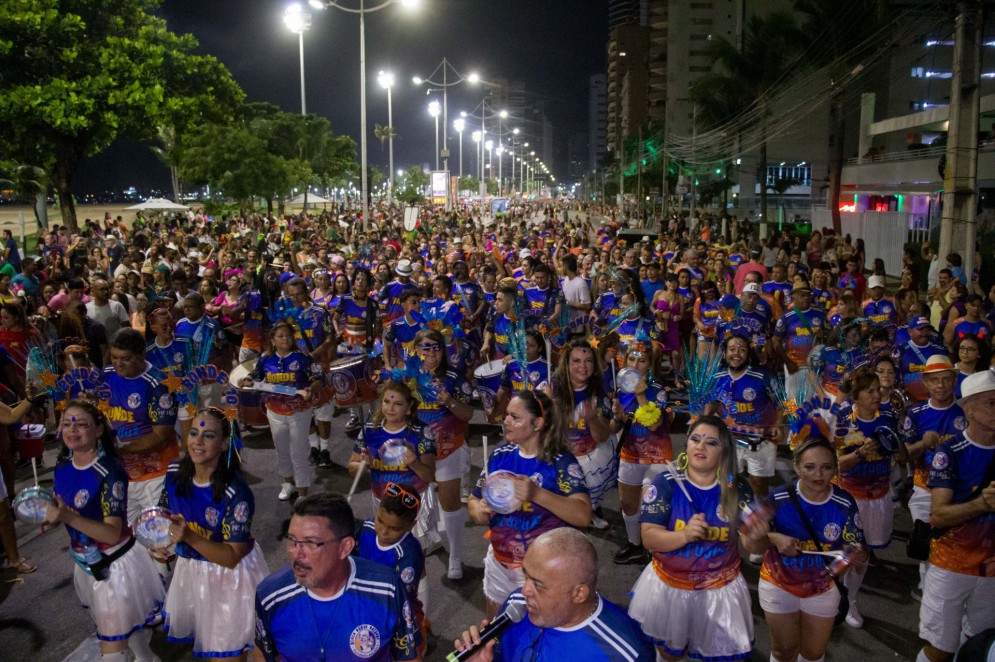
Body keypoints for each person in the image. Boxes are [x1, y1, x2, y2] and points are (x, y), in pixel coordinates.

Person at [44, 400, 165, 662]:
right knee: (123, 629)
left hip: (114, 567)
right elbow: (63, 506)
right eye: (66, 423)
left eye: (82, 424)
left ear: (99, 430)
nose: (72, 430)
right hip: (84, 563)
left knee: (113, 647)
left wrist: (67, 516)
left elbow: (111, 533)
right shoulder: (63, 465)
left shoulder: (110, 471)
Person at [627, 415, 756, 662]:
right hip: (671, 587)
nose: (701, 446)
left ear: (724, 451)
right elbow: (649, 538)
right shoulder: (665, 481)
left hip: (720, 590)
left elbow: (752, 545)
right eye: (695, 439)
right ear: (686, 445)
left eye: (711, 443)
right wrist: (684, 535)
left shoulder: (737, 488)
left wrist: (759, 535)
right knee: (669, 655)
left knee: (713, 653)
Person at [253, 492, 423, 661]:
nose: (297, 554)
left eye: (311, 543)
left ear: (345, 547)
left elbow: (409, 656)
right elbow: (263, 652)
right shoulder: (269, 595)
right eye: (292, 540)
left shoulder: (388, 590)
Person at [155, 408, 269, 658]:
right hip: (191, 571)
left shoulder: (236, 493)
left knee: (227, 651)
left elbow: (231, 557)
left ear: (224, 443)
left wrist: (188, 537)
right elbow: (164, 513)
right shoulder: (174, 473)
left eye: (208, 436)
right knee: (209, 645)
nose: (197, 440)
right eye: (194, 432)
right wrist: (160, 541)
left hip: (228, 579)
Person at [468, 390, 592, 619]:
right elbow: (474, 499)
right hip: (500, 562)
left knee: (538, 633)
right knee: (497, 631)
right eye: (506, 415)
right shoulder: (499, 456)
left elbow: (583, 514)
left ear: (538, 423)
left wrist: (536, 494)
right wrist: (479, 511)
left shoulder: (560, 462)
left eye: (515, 417)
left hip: (540, 572)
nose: (506, 421)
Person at [745, 436, 867, 662]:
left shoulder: (845, 502)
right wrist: (771, 537)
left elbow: (855, 549)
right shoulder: (778, 498)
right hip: (778, 583)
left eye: (826, 467)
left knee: (813, 653)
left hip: (823, 587)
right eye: (809, 467)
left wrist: (856, 555)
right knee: (784, 652)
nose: (818, 475)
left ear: (835, 469)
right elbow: (750, 544)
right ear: (797, 468)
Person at [452, 528, 656, 662]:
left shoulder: (623, 654)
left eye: (538, 585)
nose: (523, 591)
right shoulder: (516, 604)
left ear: (579, 593)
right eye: (526, 576)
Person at [916, 370, 995, 662]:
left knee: (979, 646)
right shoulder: (951, 452)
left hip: (990, 572)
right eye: (990, 403)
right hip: (951, 566)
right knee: (941, 649)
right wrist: (981, 505)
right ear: (969, 409)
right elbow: (938, 515)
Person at [832, 366, 904, 627]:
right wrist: (861, 453)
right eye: (869, 391)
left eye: (877, 390)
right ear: (856, 396)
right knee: (847, 553)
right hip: (850, 498)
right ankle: (833, 596)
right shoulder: (843, 422)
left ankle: (850, 600)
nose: (876, 394)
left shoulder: (888, 419)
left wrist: (897, 446)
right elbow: (836, 465)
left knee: (863, 557)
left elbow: (902, 456)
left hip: (879, 498)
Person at [902, 355, 966, 600]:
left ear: (954, 380)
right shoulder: (916, 413)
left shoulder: (966, 411)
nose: (940, 385)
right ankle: (929, 592)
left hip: (960, 492)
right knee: (928, 542)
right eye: (934, 380)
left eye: (946, 379)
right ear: (925, 383)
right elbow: (903, 457)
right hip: (925, 490)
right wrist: (921, 443)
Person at [101, 328, 178, 527]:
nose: (118, 363)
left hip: (155, 476)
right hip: (122, 476)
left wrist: (118, 449)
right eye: (114, 357)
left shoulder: (158, 385)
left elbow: (160, 438)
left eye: (125, 358)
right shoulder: (107, 376)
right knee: (128, 539)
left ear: (142, 354)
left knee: (159, 541)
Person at [240, 322, 321, 501]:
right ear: (273, 340)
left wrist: (310, 390)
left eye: (288, 336)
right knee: (282, 450)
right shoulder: (265, 359)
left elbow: (318, 379)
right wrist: (247, 379)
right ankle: (288, 483)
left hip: (299, 412)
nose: (285, 339)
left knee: (298, 453)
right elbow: (256, 376)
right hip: (274, 412)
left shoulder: (302, 358)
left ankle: (303, 492)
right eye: (280, 336)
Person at [612, 342, 672, 565]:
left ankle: (655, 551)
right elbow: (615, 428)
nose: (635, 364)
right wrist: (617, 417)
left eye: (642, 360)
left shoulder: (659, 390)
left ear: (650, 365)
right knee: (627, 504)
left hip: (657, 456)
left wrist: (640, 395)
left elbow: (655, 424)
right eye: (631, 359)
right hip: (630, 453)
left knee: (652, 505)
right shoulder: (620, 389)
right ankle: (635, 544)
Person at [355, 481, 428, 656]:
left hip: (396, 613)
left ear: (411, 525)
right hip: (364, 601)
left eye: (394, 528)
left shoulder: (409, 554)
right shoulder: (367, 528)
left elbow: (401, 602)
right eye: (380, 520)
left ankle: (423, 631)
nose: (383, 531)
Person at [553, 339, 615, 529]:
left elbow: (603, 437)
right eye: (576, 361)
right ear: (567, 364)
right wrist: (546, 407)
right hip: (559, 455)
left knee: (586, 498)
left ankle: (592, 510)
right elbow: (537, 429)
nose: (583, 366)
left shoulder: (599, 394)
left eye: (588, 361)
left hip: (589, 456)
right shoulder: (551, 389)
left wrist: (592, 419)